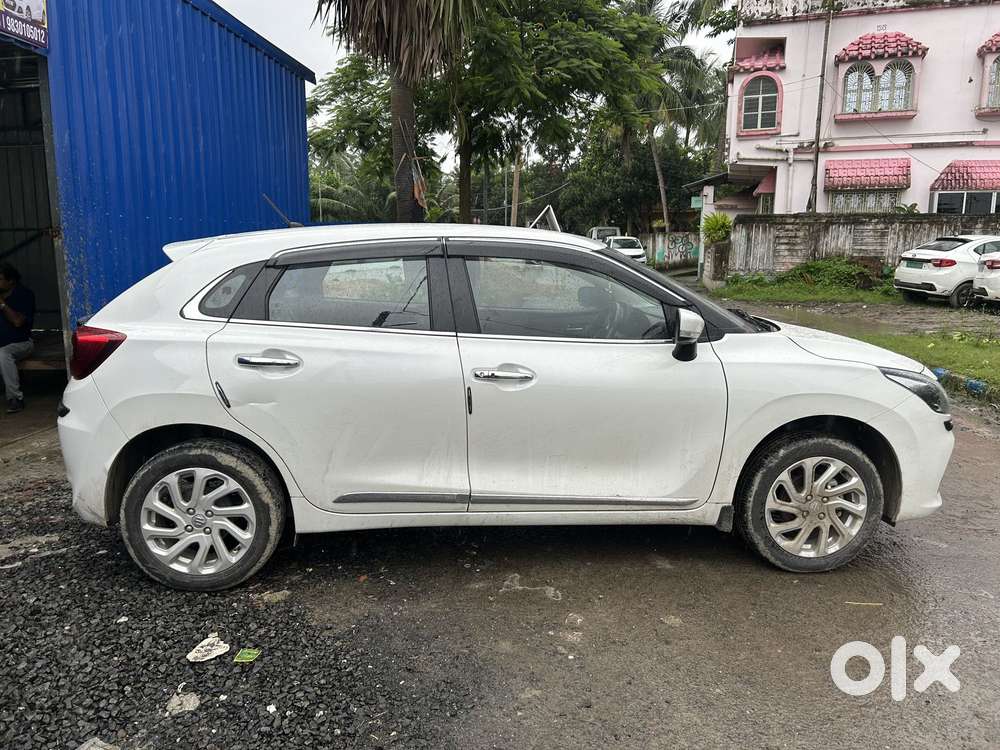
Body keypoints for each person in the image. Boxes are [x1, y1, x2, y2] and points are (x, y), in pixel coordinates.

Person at [0, 263, 36, 414]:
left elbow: (17, 321)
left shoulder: (24, 295)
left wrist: (2, 304)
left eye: (0, 279)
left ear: (11, 281)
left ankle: (15, 398)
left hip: (21, 343)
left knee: (3, 354)